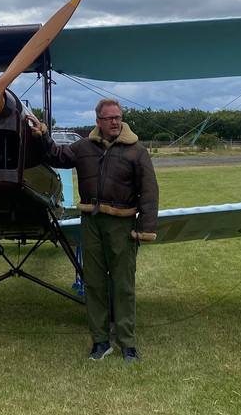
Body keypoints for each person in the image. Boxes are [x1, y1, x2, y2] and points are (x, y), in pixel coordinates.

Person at [29, 98, 158, 363]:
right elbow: (56, 156)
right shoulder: (84, 147)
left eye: (118, 117)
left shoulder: (137, 151)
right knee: (94, 282)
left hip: (122, 223)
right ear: (98, 121)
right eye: (109, 118)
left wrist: (144, 228)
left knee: (123, 284)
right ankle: (100, 342)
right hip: (91, 221)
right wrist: (41, 133)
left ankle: (127, 343)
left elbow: (149, 192)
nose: (115, 122)